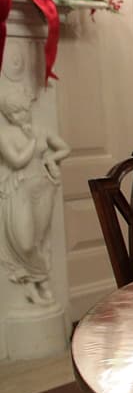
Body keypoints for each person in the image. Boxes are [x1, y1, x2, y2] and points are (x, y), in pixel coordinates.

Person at [0, 79, 71, 304]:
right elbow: (17, 161)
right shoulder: (5, 134)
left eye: (22, 110)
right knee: (25, 242)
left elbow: (64, 148)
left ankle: (35, 282)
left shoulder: (42, 129)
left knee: (40, 240)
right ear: (8, 115)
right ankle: (37, 278)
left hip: (43, 187)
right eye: (14, 113)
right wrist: (32, 140)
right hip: (19, 190)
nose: (20, 116)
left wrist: (51, 158)